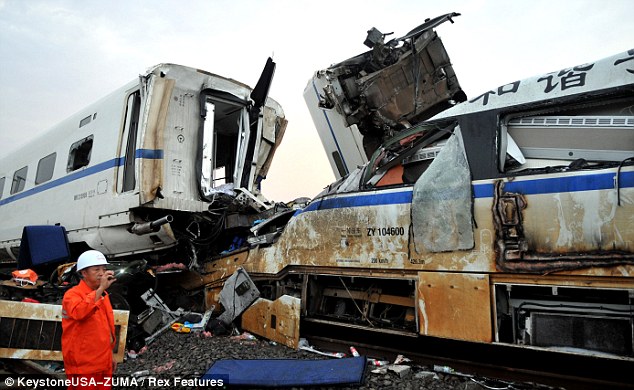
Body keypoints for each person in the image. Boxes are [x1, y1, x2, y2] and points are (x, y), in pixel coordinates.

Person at [62, 250, 117, 389]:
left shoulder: (103, 294)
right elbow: (80, 313)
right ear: (84, 273)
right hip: (84, 365)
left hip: (102, 361)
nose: (101, 273)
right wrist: (100, 290)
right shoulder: (72, 295)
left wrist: (110, 355)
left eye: (104, 269)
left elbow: (105, 329)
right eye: (96, 269)